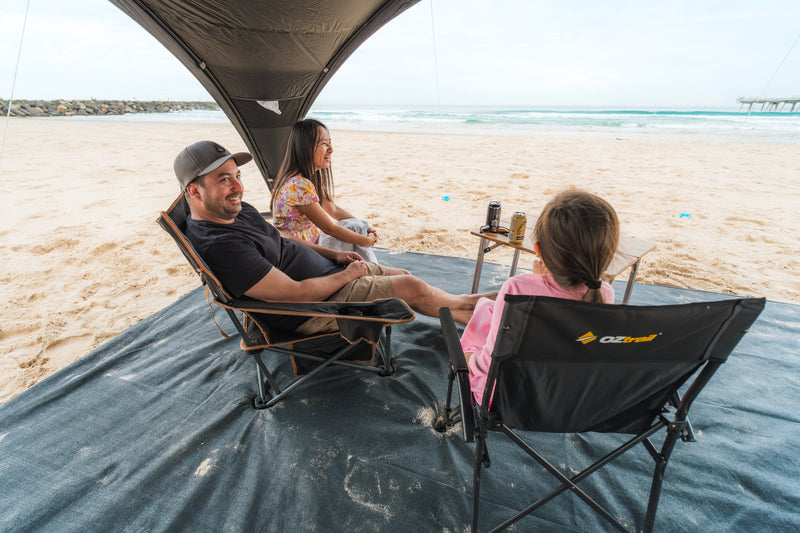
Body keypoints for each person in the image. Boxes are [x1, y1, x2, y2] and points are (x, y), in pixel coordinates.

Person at [173, 140, 493, 335]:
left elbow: (284, 239)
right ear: (194, 191)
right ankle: (479, 310)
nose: (238, 187)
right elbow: (295, 294)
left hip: (329, 275)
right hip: (313, 307)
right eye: (224, 179)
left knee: (406, 277)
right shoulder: (221, 245)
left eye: (238, 175)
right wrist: (347, 274)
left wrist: (334, 256)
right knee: (413, 287)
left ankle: (476, 315)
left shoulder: (236, 211)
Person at [460, 189, 620, 403]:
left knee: (481, 322)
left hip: (507, 399)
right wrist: (543, 280)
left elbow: (490, 363)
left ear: (538, 249)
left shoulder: (517, 289)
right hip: (565, 400)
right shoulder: (604, 293)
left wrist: (469, 360)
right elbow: (571, 335)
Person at [270, 119, 379, 262]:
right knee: (353, 228)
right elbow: (330, 229)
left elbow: (332, 208)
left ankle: (370, 269)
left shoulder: (308, 179)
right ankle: (372, 269)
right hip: (301, 252)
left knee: (355, 225)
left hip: (313, 243)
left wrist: (366, 227)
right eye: (324, 144)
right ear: (306, 147)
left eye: (330, 142)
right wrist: (365, 241)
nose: (331, 149)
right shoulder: (299, 185)